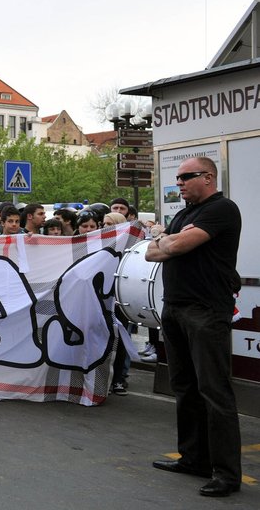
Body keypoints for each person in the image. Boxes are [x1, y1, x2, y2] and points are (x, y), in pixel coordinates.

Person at [146, 156, 242, 497]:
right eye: (178, 178)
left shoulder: (221, 209)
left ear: (209, 177)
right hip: (175, 308)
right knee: (184, 387)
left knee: (215, 392)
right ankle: (193, 458)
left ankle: (227, 474)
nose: (181, 183)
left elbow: (177, 245)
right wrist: (165, 239)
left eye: (188, 177)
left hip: (205, 311)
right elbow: (150, 254)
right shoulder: (185, 214)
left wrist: (165, 239)